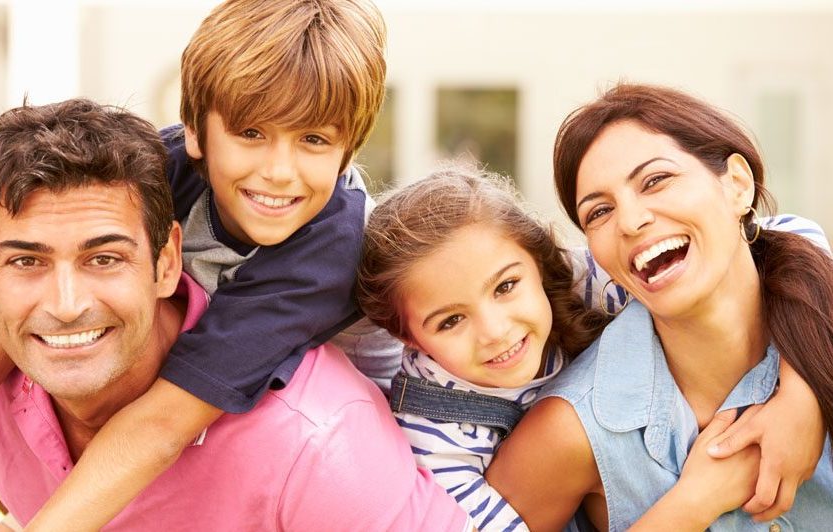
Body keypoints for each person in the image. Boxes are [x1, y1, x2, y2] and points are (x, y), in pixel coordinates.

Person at [0, 0, 405, 528]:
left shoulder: (329, 252)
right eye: (251, 133)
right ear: (195, 133)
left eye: (313, 140)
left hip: (395, 423)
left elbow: (165, 422)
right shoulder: (163, 165)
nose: (279, 171)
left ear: (347, 151)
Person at [355, 165, 829, 531]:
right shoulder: (434, 437)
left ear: (539, 265)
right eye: (451, 320)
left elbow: (785, 238)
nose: (496, 330)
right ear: (407, 337)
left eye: (506, 287)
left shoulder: (578, 282)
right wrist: (697, 500)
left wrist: (801, 395)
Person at [485, 83, 833, 531]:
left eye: (655, 180)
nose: (630, 221)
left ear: (737, 186)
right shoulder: (572, 430)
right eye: (599, 212)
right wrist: (689, 508)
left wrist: (809, 391)